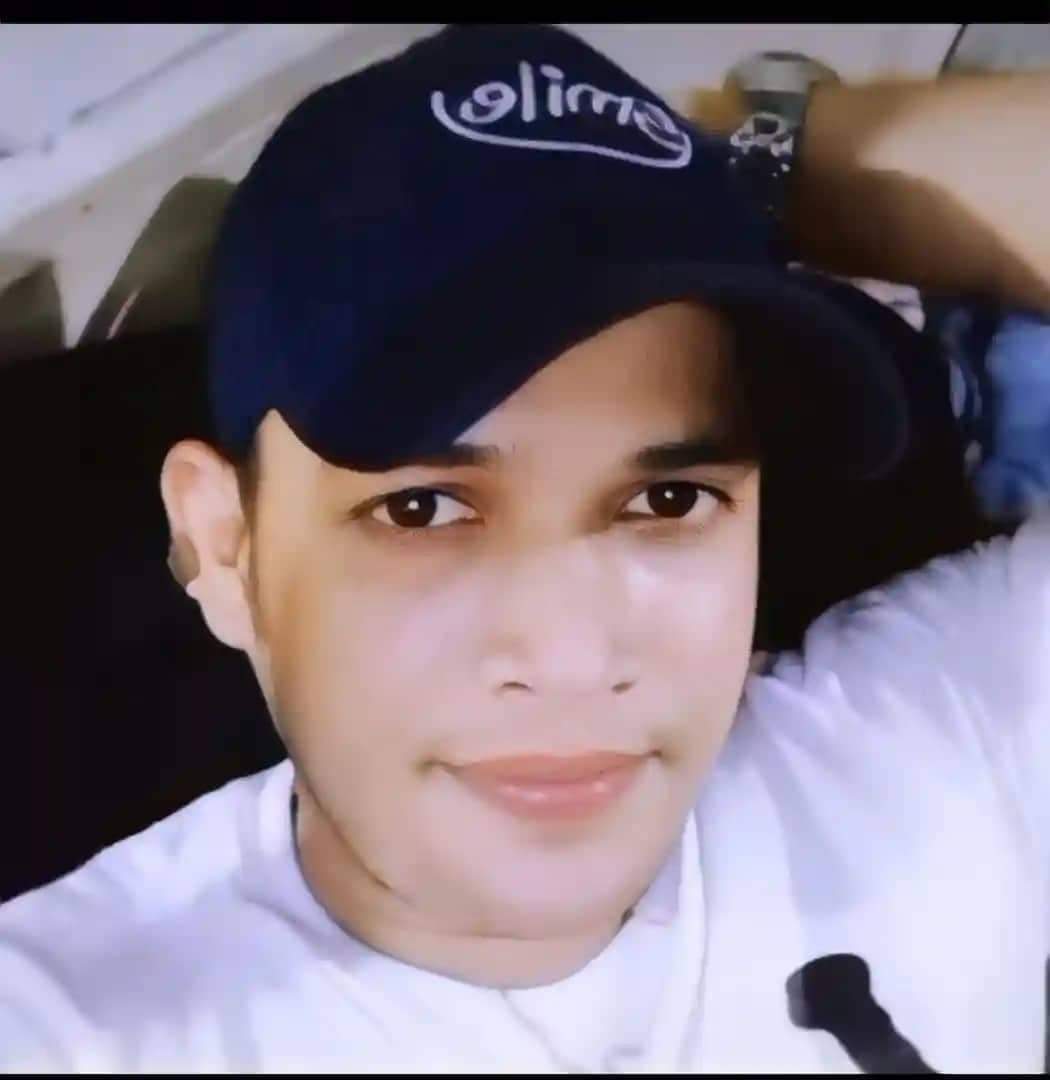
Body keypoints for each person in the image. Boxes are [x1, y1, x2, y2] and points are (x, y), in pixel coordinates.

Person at [2, 24, 1047, 1073]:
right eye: (423, 512)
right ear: (224, 544)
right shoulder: (72, 1026)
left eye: (669, 499)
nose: (571, 658)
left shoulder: (943, 732)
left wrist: (755, 167)